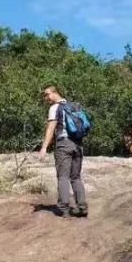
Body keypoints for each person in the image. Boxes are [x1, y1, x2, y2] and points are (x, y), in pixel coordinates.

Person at [38, 85, 88, 217]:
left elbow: (50, 128)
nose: (45, 98)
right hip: (78, 145)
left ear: (55, 93)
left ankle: (64, 209)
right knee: (76, 177)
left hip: (63, 145)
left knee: (63, 177)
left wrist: (44, 147)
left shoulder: (55, 108)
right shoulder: (74, 106)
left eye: (47, 94)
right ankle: (82, 207)